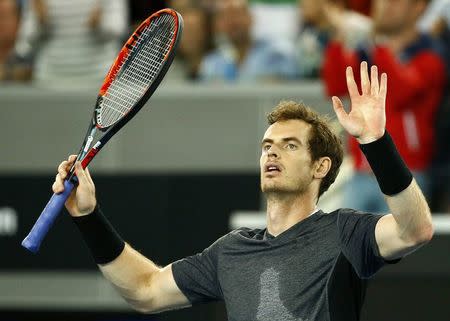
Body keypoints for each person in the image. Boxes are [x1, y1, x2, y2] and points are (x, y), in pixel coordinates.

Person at [53, 62, 433, 320]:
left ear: (321, 167)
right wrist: (88, 217)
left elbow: (414, 230)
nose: (272, 152)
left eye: (290, 145)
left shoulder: (346, 232)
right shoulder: (231, 252)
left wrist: (376, 142)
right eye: (267, 145)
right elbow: (145, 290)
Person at [322, 0, 447, 213]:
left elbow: (401, 92)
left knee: (404, 244)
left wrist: (374, 43)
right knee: (346, 243)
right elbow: (335, 86)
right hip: (362, 172)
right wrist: (338, 37)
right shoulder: (368, 51)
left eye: (395, 1)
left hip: (407, 172)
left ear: (418, 7)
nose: (384, 5)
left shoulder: (430, 53)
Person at [13, 0, 128, 86]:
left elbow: (117, 30)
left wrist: (99, 26)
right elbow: (27, 41)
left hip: (100, 80)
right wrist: (41, 22)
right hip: (50, 81)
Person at [199, 0, 297, 82]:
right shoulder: (211, 64)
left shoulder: (276, 54)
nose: (232, 22)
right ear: (218, 25)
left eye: (237, 14)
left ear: (251, 18)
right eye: (225, 17)